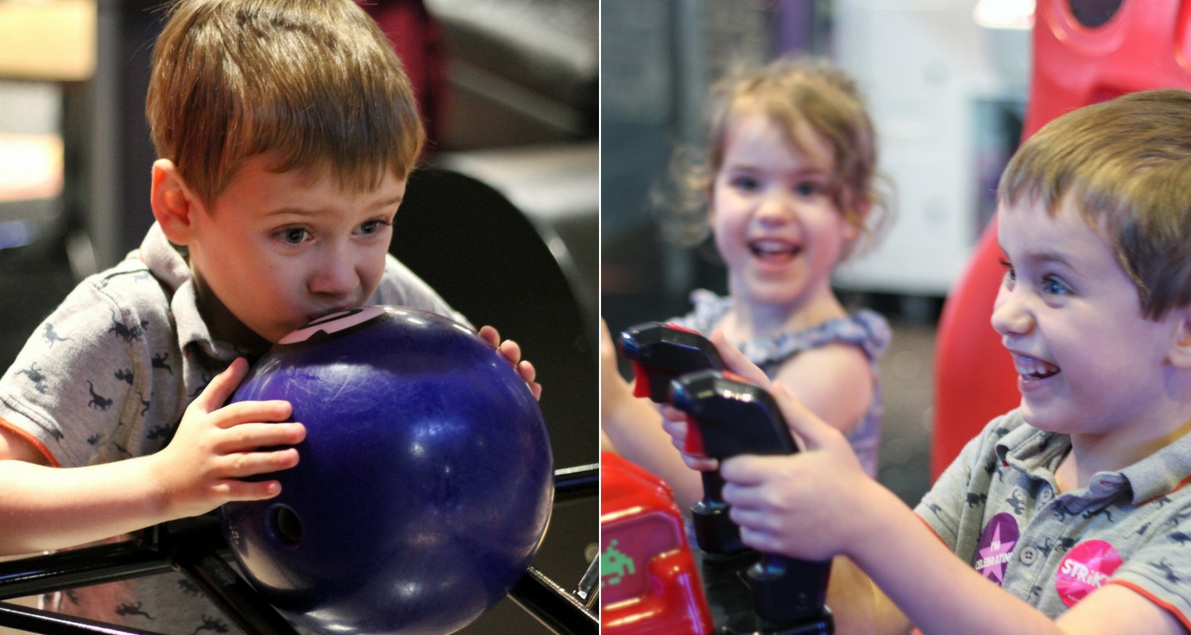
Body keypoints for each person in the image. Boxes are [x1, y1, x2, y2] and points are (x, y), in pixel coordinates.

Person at [0, 0, 537, 631]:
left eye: (372, 224)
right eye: (294, 234)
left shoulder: (388, 299)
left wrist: (487, 415)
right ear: (180, 207)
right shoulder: (123, 326)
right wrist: (164, 484)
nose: (342, 278)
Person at [701, 88, 1191, 635]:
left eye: (1053, 284)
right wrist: (776, 459)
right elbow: (868, 612)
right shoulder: (1009, 448)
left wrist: (866, 519)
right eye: (1013, 271)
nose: (1005, 314)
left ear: (1190, 328)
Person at [600, 56, 893, 511]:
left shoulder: (834, 364)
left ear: (854, 212)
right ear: (711, 199)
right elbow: (631, 441)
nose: (773, 210)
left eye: (807, 188)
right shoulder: (703, 326)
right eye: (748, 182)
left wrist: (613, 403)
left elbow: (724, 495)